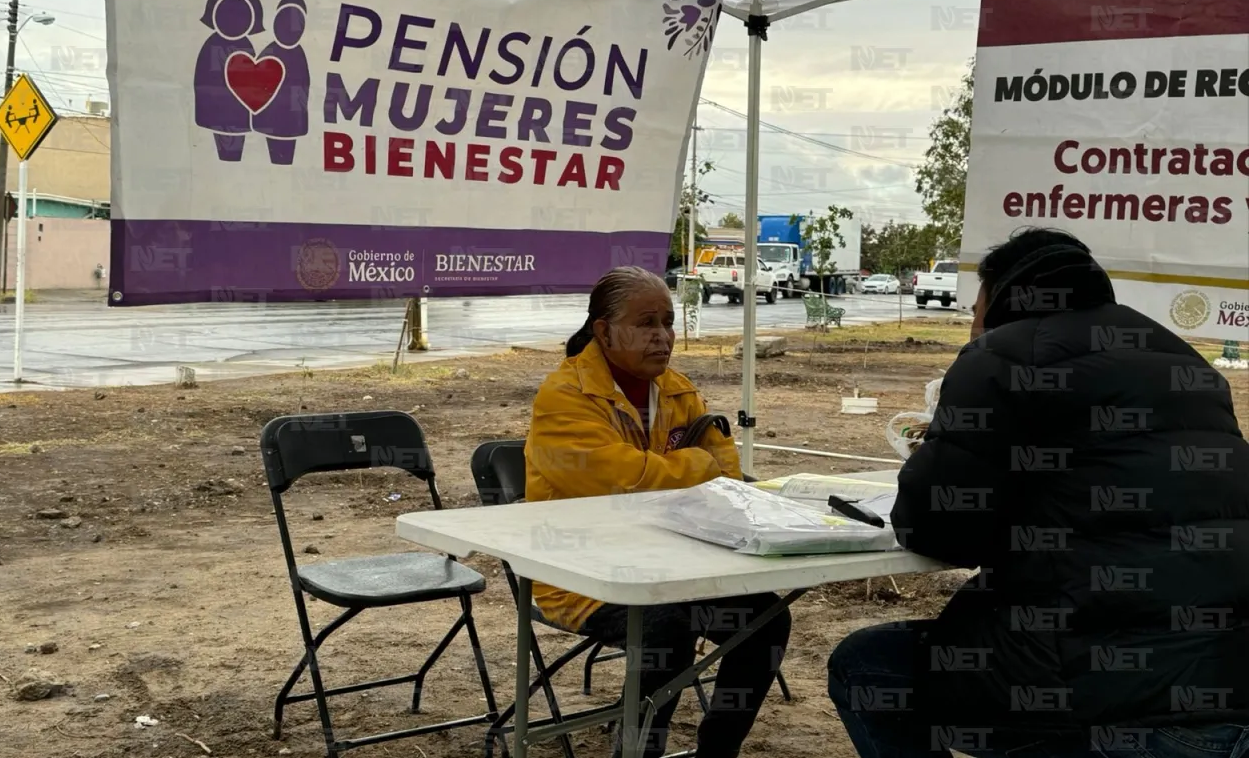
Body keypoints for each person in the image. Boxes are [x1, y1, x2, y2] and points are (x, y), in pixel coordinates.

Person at [829, 227, 1249, 757]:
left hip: (1098, 687)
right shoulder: (1180, 357)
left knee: (868, 665)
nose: (972, 324)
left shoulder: (1001, 356)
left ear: (1000, 296)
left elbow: (933, 528)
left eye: (974, 310)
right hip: (1229, 674)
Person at [526, 266, 792, 758]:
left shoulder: (678, 389)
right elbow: (620, 481)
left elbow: (728, 479)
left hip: (674, 565)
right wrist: (694, 465)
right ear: (604, 331)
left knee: (765, 620)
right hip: (579, 574)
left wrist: (681, 470)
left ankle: (717, 751)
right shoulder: (564, 396)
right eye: (647, 323)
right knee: (667, 625)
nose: (663, 336)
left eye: (668, 322)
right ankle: (636, 751)